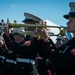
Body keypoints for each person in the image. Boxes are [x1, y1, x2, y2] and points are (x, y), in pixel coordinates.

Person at [39, 2, 75, 75]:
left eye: (71, 20)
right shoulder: (70, 42)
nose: (67, 23)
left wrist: (47, 39)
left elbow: (60, 63)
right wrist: (40, 38)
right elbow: (45, 55)